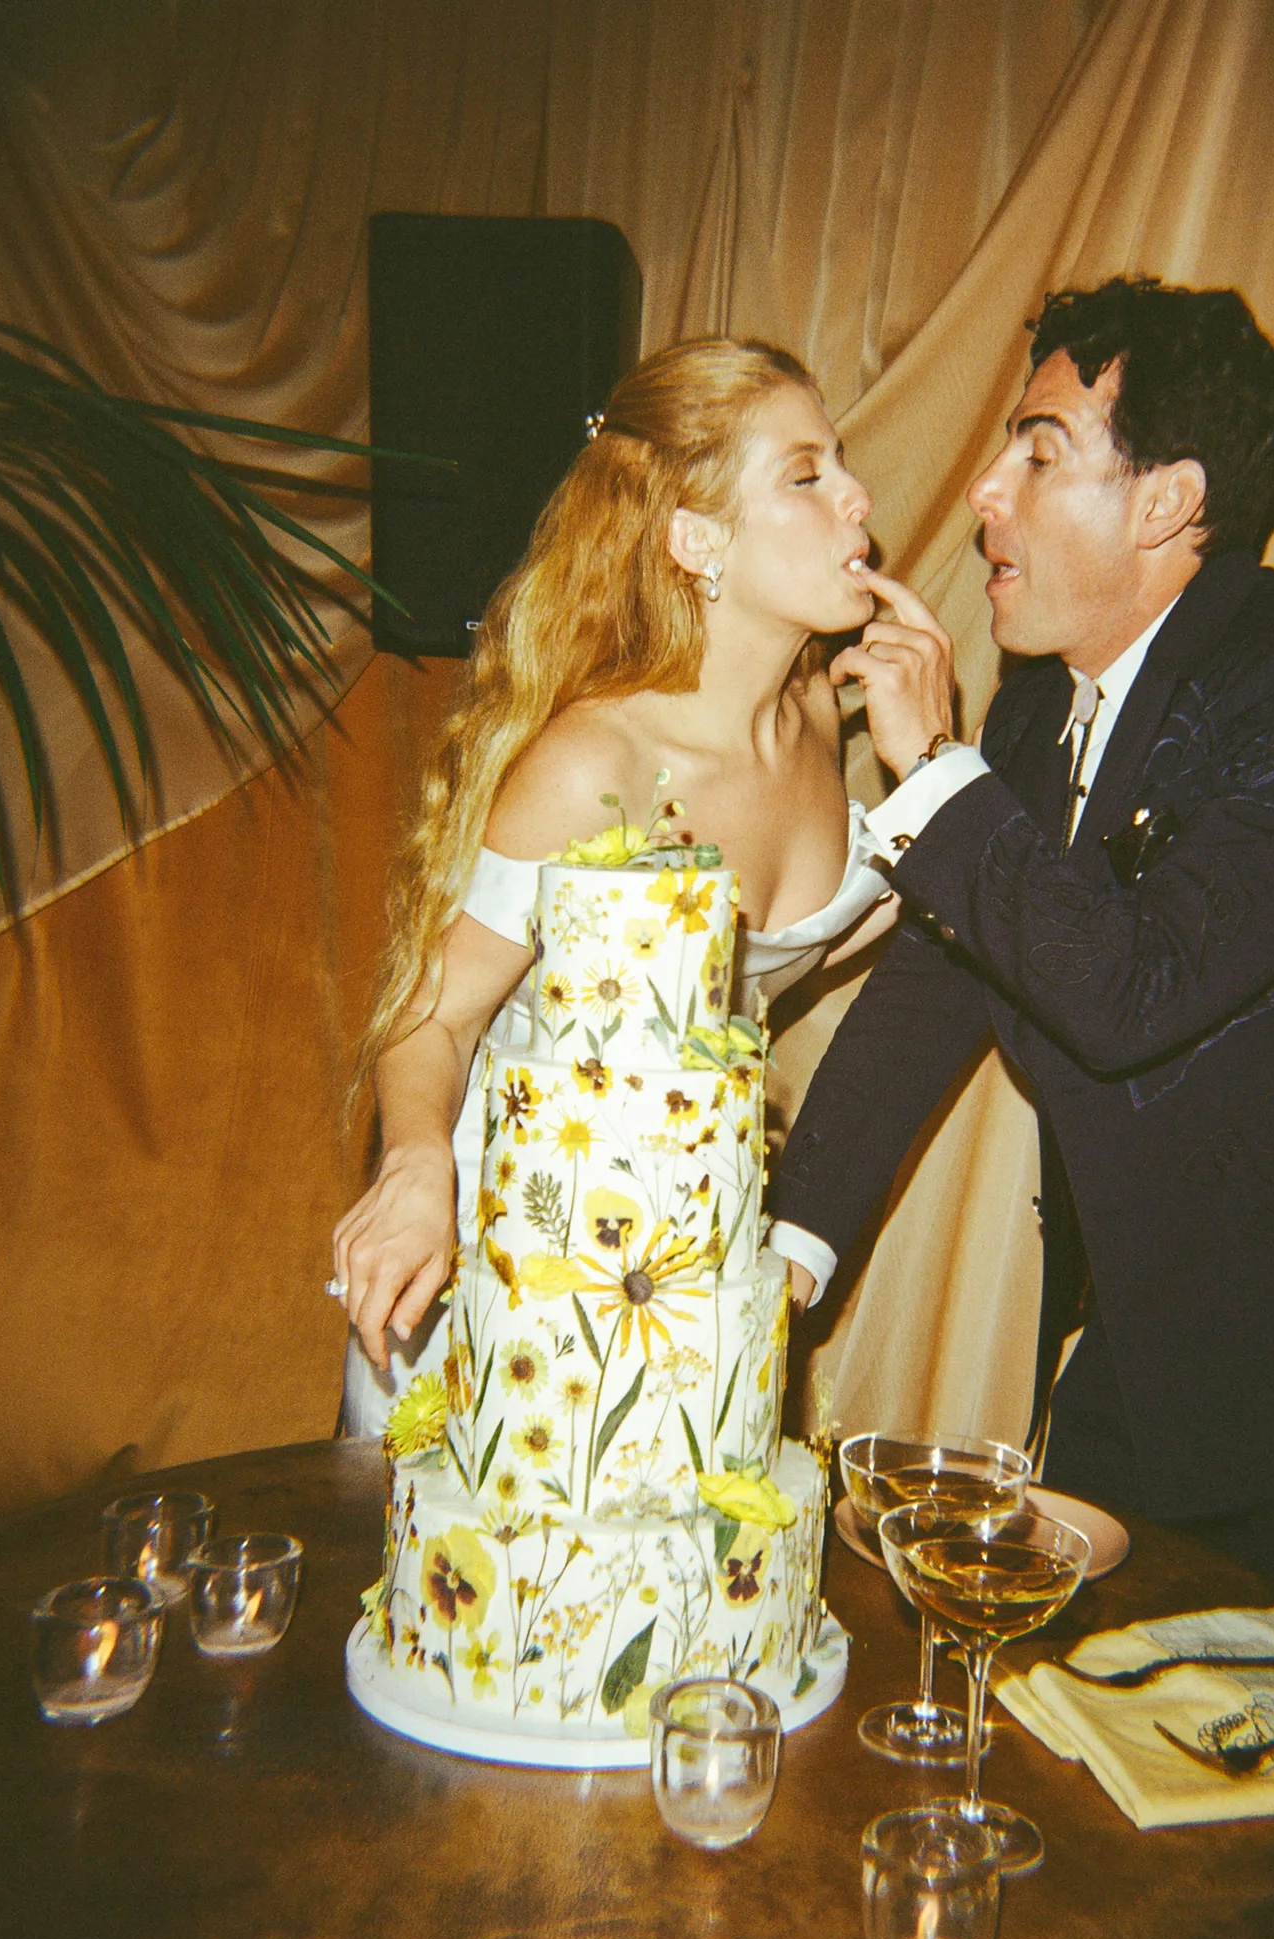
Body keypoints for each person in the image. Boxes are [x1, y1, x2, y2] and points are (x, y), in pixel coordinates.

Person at [769, 277, 1274, 1716]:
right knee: (1068, 1761)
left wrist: (932, 773)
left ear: (1169, 500)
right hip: (1151, 1353)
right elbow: (939, 984)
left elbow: (1134, 989)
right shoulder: (1029, 707)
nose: (985, 490)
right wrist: (781, 1270)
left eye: (1041, 450)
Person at [331, 336, 910, 1434]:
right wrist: (414, 1171)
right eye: (806, 475)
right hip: (506, 1248)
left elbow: (758, 972)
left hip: (672, 1245)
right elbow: (437, 1009)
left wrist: (928, 766)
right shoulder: (593, 764)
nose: (857, 496)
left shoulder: (823, 718)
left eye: (841, 461)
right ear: (696, 540)